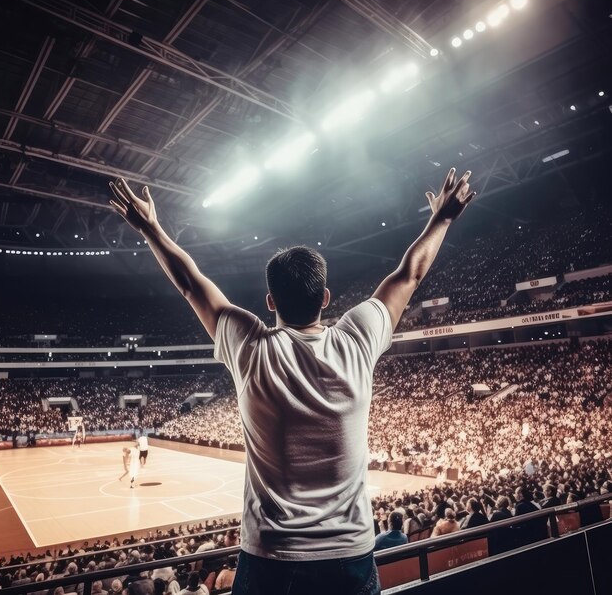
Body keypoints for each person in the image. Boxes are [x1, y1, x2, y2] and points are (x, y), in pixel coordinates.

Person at [109, 167, 475, 595]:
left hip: (271, 558)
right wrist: (442, 218)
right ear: (325, 298)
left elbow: (191, 284)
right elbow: (410, 273)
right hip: (349, 556)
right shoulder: (357, 337)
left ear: (269, 302)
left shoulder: (250, 346)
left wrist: (150, 228)